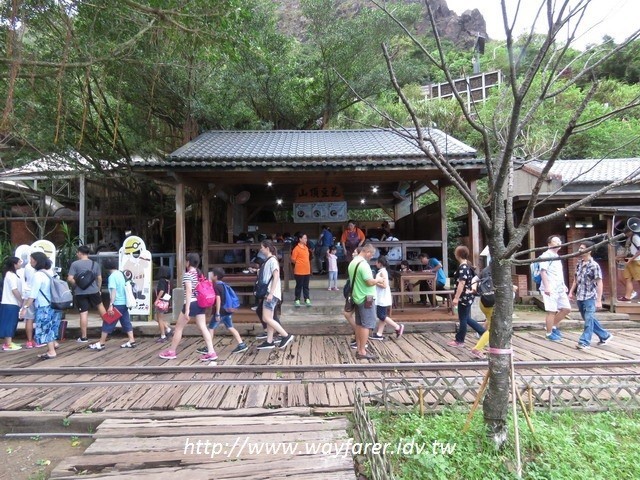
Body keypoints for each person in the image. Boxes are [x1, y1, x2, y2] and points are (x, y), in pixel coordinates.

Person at [159, 252, 218, 361]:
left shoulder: (188, 275)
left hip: (191, 303)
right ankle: (211, 351)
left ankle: (172, 351)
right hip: (200, 303)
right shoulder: (199, 274)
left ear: (188, 262)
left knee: (178, 328)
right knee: (203, 327)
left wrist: (187, 310)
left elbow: (189, 291)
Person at [568, 240, 613, 350]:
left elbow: (599, 282)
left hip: (590, 296)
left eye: (583, 248)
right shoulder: (579, 263)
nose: (580, 250)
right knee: (588, 319)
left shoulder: (594, 265)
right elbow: (576, 279)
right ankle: (605, 335)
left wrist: (598, 300)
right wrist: (570, 291)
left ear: (590, 250)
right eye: (580, 248)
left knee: (588, 320)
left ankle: (584, 342)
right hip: (580, 296)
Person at [344, 243, 384, 360]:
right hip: (367, 298)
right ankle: (362, 351)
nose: (371, 257)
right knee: (366, 325)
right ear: (367, 252)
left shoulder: (353, 263)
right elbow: (369, 282)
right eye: (371, 254)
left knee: (360, 324)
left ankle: (360, 349)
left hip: (357, 297)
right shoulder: (364, 265)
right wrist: (378, 279)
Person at [89, 257, 137, 350]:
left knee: (107, 321)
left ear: (106, 267)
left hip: (117, 303)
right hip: (125, 303)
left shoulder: (112, 277)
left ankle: (101, 343)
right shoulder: (121, 273)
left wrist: (111, 305)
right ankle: (131, 340)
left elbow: (113, 292)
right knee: (125, 321)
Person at [197, 267, 247, 355]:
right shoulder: (223, 284)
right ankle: (241, 344)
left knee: (211, 328)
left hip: (221, 311)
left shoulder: (216, 286)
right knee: (230, 327)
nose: (210, 275)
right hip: (227, 310)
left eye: (212, 274)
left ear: (215, 276)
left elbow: (218, 299)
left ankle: (209, 347)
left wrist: (217, 313)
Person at [21, 252, 61, 359]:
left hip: (44, 306)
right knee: (52, 327)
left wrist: (25, 307)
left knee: (45, 328)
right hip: (55, 305)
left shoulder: (38, 275)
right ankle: (51, 348)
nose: (30, 262)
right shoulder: (52, 272)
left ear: (37, 261)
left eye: (32, 260)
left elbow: (33, 294)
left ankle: (51, 351)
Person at [255, 240, 294, 350]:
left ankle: (286, 335)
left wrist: (271, 293)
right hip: (271, 292)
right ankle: (269, 341)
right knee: (269, 318)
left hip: (271, 293)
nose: (261, 249)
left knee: (266, 318)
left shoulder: (272, 260)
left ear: (267, 248)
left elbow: (276, 276)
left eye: (262, 247)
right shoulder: (269, 260)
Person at [447, 246, 485, 347]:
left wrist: (456, 297)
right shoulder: (467, 265)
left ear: (458, 254)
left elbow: (461, 283)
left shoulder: (463, 267)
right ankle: (483, 332)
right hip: (468, 296)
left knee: (463, 319)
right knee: (466, 318)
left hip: (464, 296)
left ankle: (460, 340)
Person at [67, 245, 107, 343]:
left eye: (77, 252)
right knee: (101, 307)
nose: (77, 254)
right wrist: (98, 288)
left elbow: (69, 278)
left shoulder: (75, 264)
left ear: (80, 253)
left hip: (80, 292)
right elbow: (99, 278)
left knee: (83, 313)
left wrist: (76, 285)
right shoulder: (95, 264)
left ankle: (84, 337)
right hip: (94, 291)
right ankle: (108, 329)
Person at [539, 235, 571, 342]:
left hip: (559, 288)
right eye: (555, 241)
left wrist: (563, 284)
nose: (558, 243)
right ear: (549, 244)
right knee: (551, 311)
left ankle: (552, 326)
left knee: (566, 308)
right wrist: (547, 287)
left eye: (559, 241)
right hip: (550, 288)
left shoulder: (557, 256)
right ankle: (549, 333)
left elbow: (558, 273)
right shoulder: (546, 255)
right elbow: (543, 271)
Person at [370, 256, 404, 340]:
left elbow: (384, 285)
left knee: (381, 315)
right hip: (382, 296)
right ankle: (379, 333)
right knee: (383, 315)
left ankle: (397, 327)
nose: (375, 264)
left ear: (380, 263)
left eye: (377, 262)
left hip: (382, 297)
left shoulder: (382, 272)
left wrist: (375, 282)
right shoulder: (382, 271)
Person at [0, 257, 23, 351]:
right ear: (14, 264)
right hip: (11, 303)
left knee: (10, 322)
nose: (21, 263)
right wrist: (21, 300)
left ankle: (8, 342)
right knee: (10, 323)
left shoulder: (10, 274)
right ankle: (8, 344)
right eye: (19, 262)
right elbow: (14, 290)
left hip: (10, 303)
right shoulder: (11, 275)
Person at [617, 225, 640, 301]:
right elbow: (629, 251)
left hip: (636, 260)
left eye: (627, 232)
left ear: (630, 232)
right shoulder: (629, 239)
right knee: (628, 278)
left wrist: (631, 259)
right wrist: (620, 257)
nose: (626, 234)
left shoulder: (635, 237)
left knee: (639, 279)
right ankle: (627, 296)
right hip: (630, 260)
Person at [290, 232, 312, 307]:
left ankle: (307, 299)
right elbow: (293, 259)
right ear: (300, 239)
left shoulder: (306, 248)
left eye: (306, 238)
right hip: (299, 271)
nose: (306, 239)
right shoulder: (296, 248)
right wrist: (299, 263)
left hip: (307, 270)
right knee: (299, 286)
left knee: (306, 286)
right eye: (305, 238)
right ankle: (297, 299)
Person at [154, 265, 172, 343]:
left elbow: (161, 291)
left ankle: (163, 336)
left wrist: (157, 299)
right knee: (158, 318)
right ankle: (168, 329)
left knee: (159, 319)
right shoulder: (168, 281)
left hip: (161, 301)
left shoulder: (161, 280)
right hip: (165, 301)